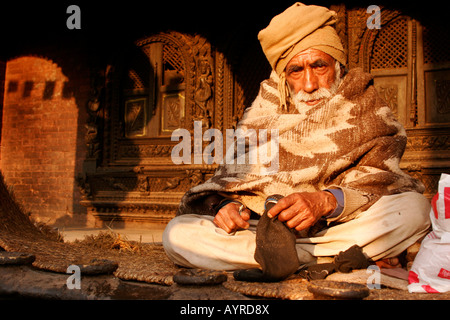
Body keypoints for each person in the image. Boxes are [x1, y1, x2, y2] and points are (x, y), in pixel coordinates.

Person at [162, 3, 431, 272]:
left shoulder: (363, 101)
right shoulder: (264, 110)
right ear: (282, 78)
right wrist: (227, 206)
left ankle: (286, 260)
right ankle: (333, 259)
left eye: (319, 66)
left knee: (415, 210)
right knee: (177, 235)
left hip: (338, 227)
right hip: (263, 231)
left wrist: (326, 201)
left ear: (337, 65)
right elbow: (232, 183)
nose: (310, 84)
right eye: (296, 71)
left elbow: (381, 179)